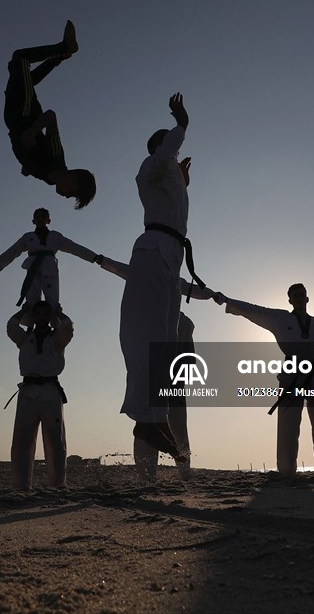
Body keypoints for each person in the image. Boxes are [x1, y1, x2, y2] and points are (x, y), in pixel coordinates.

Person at [215, 284, 314, 476]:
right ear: (290, 300)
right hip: (291, 374)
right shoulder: (280, 319)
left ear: (307, 299)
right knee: (288, 425)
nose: (299, 298)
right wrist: (227, 300)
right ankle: (286, 470)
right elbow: (254, 310)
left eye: (302, 295)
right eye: (295, 295)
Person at [119, 93, 201, 466]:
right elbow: (163, 156)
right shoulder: (149, 168)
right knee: (146, 336)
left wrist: (181, 182)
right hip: (152, 254)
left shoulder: (168, 181)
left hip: (171, 257)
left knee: (166, 342)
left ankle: (153, 418)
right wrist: (181, 125)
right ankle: (146, 419)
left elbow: (174, 208)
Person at [99, 256, 216, 481]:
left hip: (174, 384)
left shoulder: (185, 323)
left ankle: (185, 473)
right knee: (147, 425)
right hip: (150, 382)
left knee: (178, 428)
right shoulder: (147, 319)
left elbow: (188, 358)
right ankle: (146, 476)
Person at [3, 20, 95, 209]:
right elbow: (51, 117)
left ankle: (61, 55)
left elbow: (31, 160)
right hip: (25, 113)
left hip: (12, 118)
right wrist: (32, 131)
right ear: (74, 178)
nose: (67, 197)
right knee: (19, 59)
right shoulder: (57, 157)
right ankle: (63, 48)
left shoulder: (48, 179)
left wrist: (27, 168)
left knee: (24, 76)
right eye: (73, 193)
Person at [6, 301, 73, 490]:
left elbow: (68, 327)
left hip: (51, 390)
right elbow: (11, 326)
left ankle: (58, 484)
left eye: (46, 314)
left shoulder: (57, 338)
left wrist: (59, 313)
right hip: (28, 390)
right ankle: (20, 485)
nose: (42, 317)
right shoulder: (25, 338)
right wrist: (23, 311)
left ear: (49, 317)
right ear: (34, 317)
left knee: (55, 440)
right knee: (22, 439)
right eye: (38, 314)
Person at [0, 207, 103, 306]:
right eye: (37, 217)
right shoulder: (28, 237)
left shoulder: (55, 236)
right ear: (33, 221)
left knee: (52, 301)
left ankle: (56, 329)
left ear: (49, 220)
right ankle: (31, 329)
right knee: (31, 300)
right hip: (33, 269)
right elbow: (12, 251)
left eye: (43, 217)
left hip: (49, 268)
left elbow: (74, 247)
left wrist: (93, 257)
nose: (40, 219)